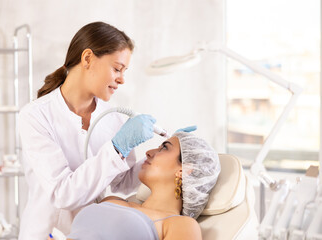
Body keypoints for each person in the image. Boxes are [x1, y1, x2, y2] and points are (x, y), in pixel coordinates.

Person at [19, 21, 166, 239]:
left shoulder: (113, 117)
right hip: (46, 233)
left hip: (92, 233)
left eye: (124, 71)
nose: (122, 79)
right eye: (117, 69)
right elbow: (63, 193)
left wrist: (164, 156)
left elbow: (122, 182)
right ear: (87, 58)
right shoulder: (36, 115)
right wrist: (117, 148)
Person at [65, 132, 221, 240]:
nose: (149, 152)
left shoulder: (181, 225)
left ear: (186, 169)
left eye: (164, 148)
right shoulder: (112, 200)